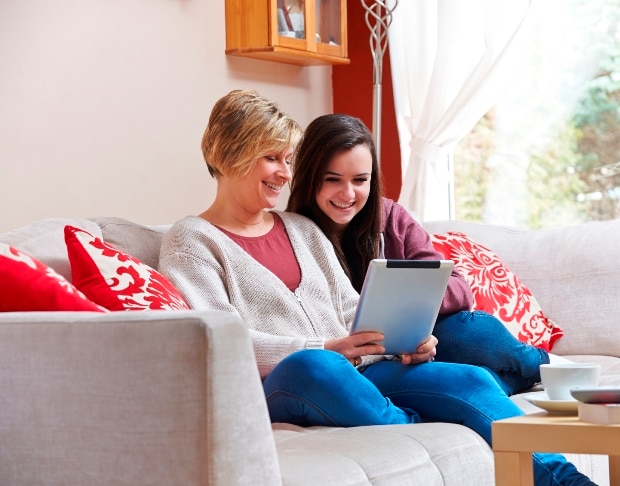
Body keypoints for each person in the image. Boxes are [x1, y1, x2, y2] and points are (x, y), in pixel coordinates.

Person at [159, 90, 596, 486]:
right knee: (316, 366)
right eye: (272, 158)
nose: (284, 173)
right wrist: (327, 346)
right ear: (232, 153)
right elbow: (219, 340)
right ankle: (407, 420)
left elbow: (351, 307)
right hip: (284, 381)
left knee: (471, 379)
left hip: (359, 369)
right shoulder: (192, 239)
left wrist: (405, 340)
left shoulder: (301, 228)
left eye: (288, 160)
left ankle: (567, 480)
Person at [287, 113, 553, 395]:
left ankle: (539, 364)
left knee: (465, 329)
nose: (348, 193)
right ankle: (513, 381)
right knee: (467, 370)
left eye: (360, 180)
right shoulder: (291, 234)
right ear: (309, 176)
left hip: (425, 340)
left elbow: (459, 289)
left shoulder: (391, 219)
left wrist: (408, 308)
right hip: (364, 358)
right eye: (333, 179)